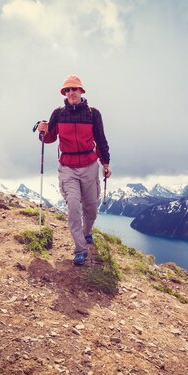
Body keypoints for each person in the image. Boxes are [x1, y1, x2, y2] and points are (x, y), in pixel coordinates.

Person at [37, 75, 112, 266]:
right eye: (67, 90)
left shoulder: (93, 114)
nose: (71, 93)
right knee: (72, 205)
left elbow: (100, 139)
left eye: (74, 89)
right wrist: (43, 131)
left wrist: (106, 163)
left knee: (91, 208)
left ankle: (87, 233)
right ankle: (80, 249)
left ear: (81, 91)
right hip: (68, 167)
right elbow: (51, 137)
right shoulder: (58, 113)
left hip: (89, 166)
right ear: (64, 93)